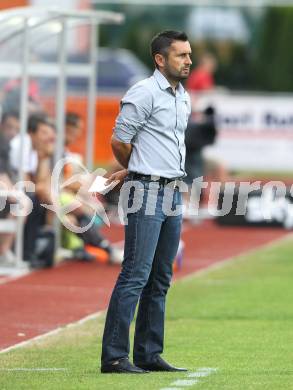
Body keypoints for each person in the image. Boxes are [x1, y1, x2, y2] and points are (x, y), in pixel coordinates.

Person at [101, 30, 192, 374]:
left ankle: (148, 354)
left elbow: (161, 145)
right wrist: (135, 170)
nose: (188, 61)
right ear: (160, 59)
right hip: (147, 192)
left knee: (160, 277)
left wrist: (140, 167)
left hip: (172, 192)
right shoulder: (143, 92)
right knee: (135, 274)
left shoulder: (182, 96)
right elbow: (120, 141)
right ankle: (113, 356)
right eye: (181, 55)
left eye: (189, 54)